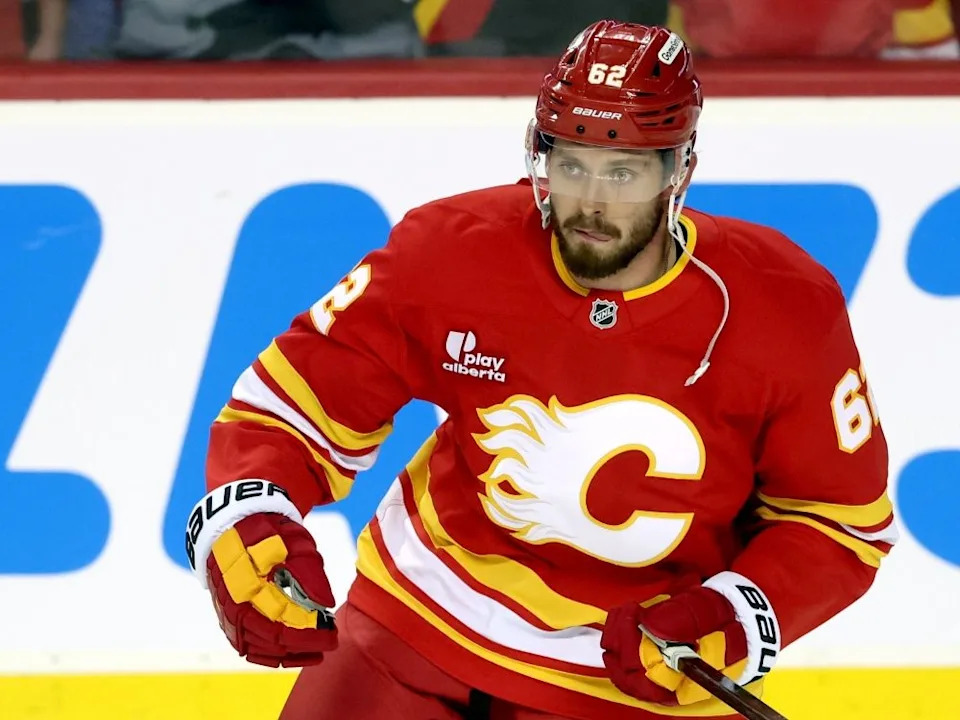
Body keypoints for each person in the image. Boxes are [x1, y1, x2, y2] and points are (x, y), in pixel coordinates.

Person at [185, 20, 898, 720]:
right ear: (539, 154)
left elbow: (839, 524)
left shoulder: (784, 305)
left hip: (635, 680)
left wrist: (733, 614)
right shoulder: (452, 251)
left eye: (623, 171)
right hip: (417, 621)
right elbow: (294, 407)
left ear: (679, 171)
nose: (591, 201)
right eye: (572, 162)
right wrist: (251, 512)